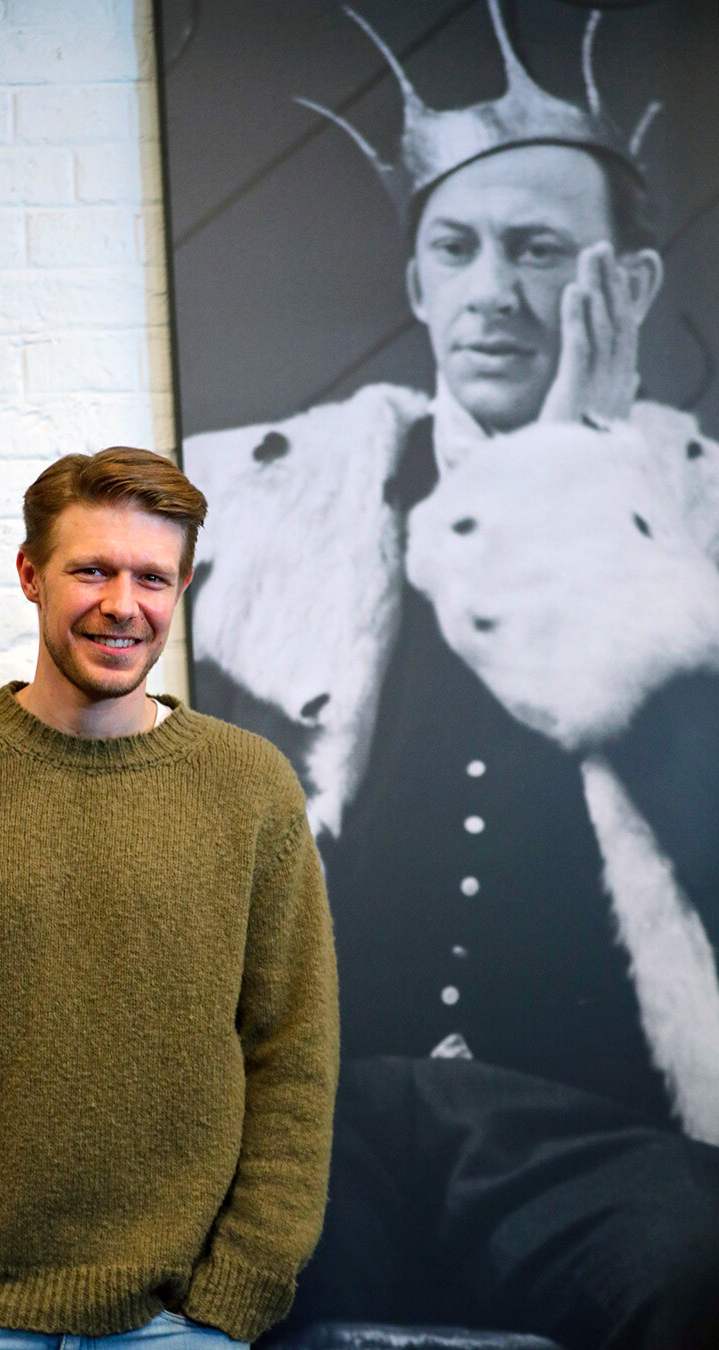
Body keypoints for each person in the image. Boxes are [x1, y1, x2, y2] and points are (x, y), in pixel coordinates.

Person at [182, 3, 719, 1346]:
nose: (491, 291)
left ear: (629, 284)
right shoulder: (253, 512)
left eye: (540, 252)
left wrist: (584, 476)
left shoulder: (702, 528)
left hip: (603, 1128)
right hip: (329, 1114)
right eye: (457, 249)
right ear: (416, 282)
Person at [0, 448, 339, 1350]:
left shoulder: (249, 786)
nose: (121, 604)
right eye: (90, 569)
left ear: (182, 588)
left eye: (152, 577)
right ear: (30, 573)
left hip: (180, 1326)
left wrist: (237, 1294)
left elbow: (293, 1048)